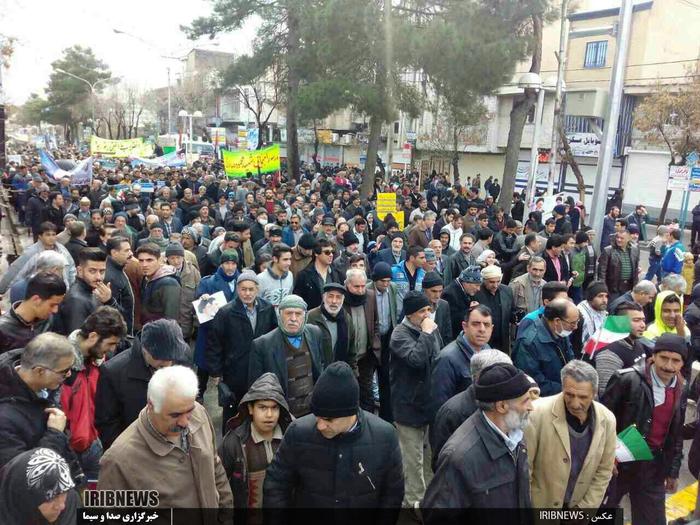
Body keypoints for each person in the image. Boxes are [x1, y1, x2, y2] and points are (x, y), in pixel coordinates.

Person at [263, 360, 404, 510]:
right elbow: (276, 485)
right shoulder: (298, 433)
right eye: (317, 416)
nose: (320, 425)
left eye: (329, 419)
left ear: (350, 413)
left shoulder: (385, 437)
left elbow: (392, 496)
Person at [97, 366, 234, 518]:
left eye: (189, 411)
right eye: (175, 415)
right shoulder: (119, 460)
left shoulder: (200, 413)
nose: (184, 422)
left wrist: (226, 517)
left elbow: (215, 468)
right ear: (151, 406)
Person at [422, 363, 533, 521]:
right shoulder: (460, 457)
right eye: (525, 401)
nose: (531, 407)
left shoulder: (515, 436)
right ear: (501, 406)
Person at [602, 333, 687, 525]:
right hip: (618, 464)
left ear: (682, 363)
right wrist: (607, 458)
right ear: (653, 356)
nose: (668, 366)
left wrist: (673, 471)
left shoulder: (682, 387)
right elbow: (603, 423)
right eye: (664, 358)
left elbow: (676, 433)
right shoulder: (627, 380)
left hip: (653, 467)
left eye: (676, 361)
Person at [525, 360, 616, 509]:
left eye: (583, 397)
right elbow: (525, 470)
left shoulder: (607, 419)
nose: (575, 404)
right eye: (569, 395)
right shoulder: (536, 414)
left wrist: (585, 508)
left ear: (594, 393)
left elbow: (604, 471)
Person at [94, 319, 189, 450]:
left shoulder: (179, 355)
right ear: (145, 349)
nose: (168, 365)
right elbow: (107, 424)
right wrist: (128, 454)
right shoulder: (113, 372)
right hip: (135, 450)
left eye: (171, 360)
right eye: (161, 360)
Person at [0, 333, 81, 480]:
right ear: (39, 371)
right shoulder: (4, 417)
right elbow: (24, 476)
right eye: (64, 371)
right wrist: (54, 433)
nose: (69, 374)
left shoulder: (44, 390)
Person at [60, 306, 126, 480]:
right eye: (110, 343)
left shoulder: (99, 365)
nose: (112, 350)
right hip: (69, 454)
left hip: (95, 446)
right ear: (93, 337)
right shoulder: (62, 369)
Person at [390, 290, 442, 508]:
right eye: (422, 311)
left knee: (430, 456)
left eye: (429, 309)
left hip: (430, 403)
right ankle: (413, 502)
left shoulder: (428, 329)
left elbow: (438, 359)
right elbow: (416, 360)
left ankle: (429, 498)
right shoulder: (399, 334)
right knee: (412, 459)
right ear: (410, 313)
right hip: (408, 406)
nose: (427, 314)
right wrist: (427, 334)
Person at [219, 373, 292, 513]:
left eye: (274, 407)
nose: (269, 414)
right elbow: (217, 482)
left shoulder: (291, 438)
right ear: (250, 408)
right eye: (262, 407)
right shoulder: (234, 442)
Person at [430, 350, 515, 470]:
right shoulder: (452, 413)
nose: (508, 383)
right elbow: (441, 464)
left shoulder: (506, 406)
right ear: (478, 378)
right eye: (501, 377)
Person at [248, 294, 324, 417]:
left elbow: (321, 367)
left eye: (298, 314)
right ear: (280, 315)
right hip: (283, 414)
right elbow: (256, 387)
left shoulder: (315, 333)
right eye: (288, 313)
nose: (293, 318)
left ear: (305, 316)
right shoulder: (262, 344)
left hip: (312, 413)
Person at [430, 305, 493, 417]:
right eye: (476, 324)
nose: (482, 329)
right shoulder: (447, 358)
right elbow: (440, 408)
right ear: (465, 326)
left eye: (486, 325)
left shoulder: (487, 349)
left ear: (492, 328)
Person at [513, 298, 577, 396]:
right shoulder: (528, 342)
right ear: (557, 321)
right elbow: (532, 382)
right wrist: (568, 390)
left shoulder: (561, 332)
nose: (576, 326)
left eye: (577, 321)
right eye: (573, 323)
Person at [0, 448, 79, 525]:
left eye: (65, 491)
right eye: (51, 498)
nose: (62, 506)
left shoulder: (70, 499)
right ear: (24, 498)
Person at [0, 221, 76, 296]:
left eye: (53, 235)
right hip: (39, 293)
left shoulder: (62, 250)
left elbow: (71, 269)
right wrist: (4, 290)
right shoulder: (32, 252)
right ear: (40, 236)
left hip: (60, 292)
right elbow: (17, 270)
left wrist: (71, 290)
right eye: (48, 235)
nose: (51, 238)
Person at [342, 269, 381, 411]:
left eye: (363, 286)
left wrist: (376, 343)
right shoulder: (340, 299)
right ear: (347, 285)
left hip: (366, 356)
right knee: (349, 393)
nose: (360, 290)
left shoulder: (370, 296)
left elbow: (376, 322)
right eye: (356, 286)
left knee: (367, 393)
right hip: (347, 358)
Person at [0, 271, 66, 354]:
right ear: (36, 300)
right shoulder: (3, 329)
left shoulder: (47, 320)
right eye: (52, 305)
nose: (55, 310)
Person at [55, 248, 117, 336]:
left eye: (102, 271)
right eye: (92, 271)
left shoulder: (94, 292)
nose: (98, 277)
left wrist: (109, 301)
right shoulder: (76, 299)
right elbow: (77, 340)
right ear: (80, 271)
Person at [592, 301, 649, 396]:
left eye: (643, 320)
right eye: (636, 320)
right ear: (620, 322)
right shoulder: (608, 355)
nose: (643, 325)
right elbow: (606, 396)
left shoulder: (638, 343)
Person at [307, 283, 356, 373]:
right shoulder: (311, 317)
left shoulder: (346, 318)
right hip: (318, 375)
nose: (334, 301)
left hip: (340, 373)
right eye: (330, 296)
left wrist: (354, 374)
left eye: (338, 297)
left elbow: (352, 351)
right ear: (323, 298)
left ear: (343, 300)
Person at [135, 243, 181, 326]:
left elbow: (171, 320)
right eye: (141, 261)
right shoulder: (146, 278)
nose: (144, 265)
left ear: (159, 260)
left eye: (149, 260)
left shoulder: (169, 283)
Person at [475, 265, 516, 354]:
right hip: (483, 339)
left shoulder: (507, 290)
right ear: (484, 280)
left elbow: (511, 312)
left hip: (502, 340)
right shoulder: (476, 293)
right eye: (492, 282)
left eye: (498, 281)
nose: (495, 285)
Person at [165, 242, 200, 341]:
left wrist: (196, 323)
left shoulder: (193, 272)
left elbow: (199, 296)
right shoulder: (161, 272)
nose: (176, 261)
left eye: (178, 257)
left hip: (187, 326)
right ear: (167, 259)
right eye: (172, 258)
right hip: (167, 326)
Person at [598, 223, 640, 302]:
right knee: (613, 308)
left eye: (622, 238)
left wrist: (635, 285)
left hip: (629, 287)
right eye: (617, 237)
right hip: (613, 287)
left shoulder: (635, 249)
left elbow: (636, 268)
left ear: (628, 239)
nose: (619, 240)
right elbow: (602, 271)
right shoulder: (608, 250)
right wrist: (603, 288)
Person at [293, 238, 340, 310]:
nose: (331, 255)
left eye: (332, 252)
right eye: (327, 252)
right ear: (316, 253)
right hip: (311, 317)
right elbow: (298, 301)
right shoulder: (304, 275)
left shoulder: (336, 273)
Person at [104, 236, 135, 336]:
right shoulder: (110, 276)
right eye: (126, 250)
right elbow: (112, 313)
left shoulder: (118, 269)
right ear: (114, 253)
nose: (131, 254)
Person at [575, 281, 609, 353]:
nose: (604, 300)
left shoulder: (603, 313)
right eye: (600, 296)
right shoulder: (580, 315)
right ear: (590, 298)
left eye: (606, 296)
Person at [257, 243, 294, 308]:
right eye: (285, 259)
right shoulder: (260, 278)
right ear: (275, 259)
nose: (289, 263)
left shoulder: (290, 275)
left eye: (290, 259)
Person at [422, 271, 452, 345]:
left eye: (440, 291)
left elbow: (447, 334)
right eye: (434, 291)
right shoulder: (416, 306)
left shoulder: (444, 305)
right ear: (424, 290)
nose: (437, 295)